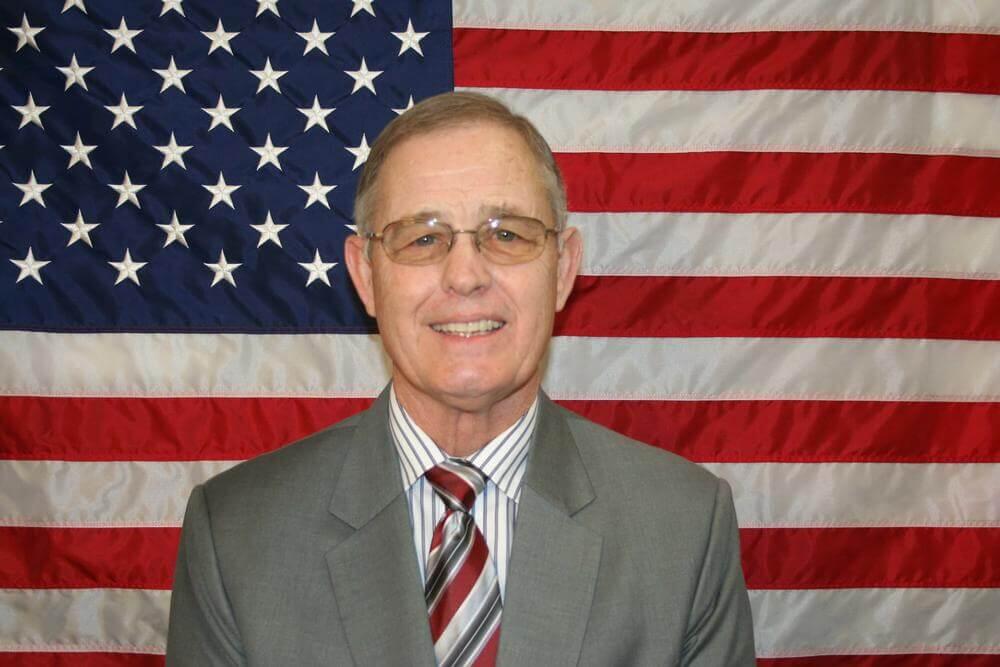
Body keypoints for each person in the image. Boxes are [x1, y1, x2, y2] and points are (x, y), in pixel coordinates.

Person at [166, 91, 755, 666]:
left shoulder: (684, 529)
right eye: (423, 238)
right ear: (366, 276)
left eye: (507, 234)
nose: (466, 275)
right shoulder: (236, 537)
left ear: (563, 270)